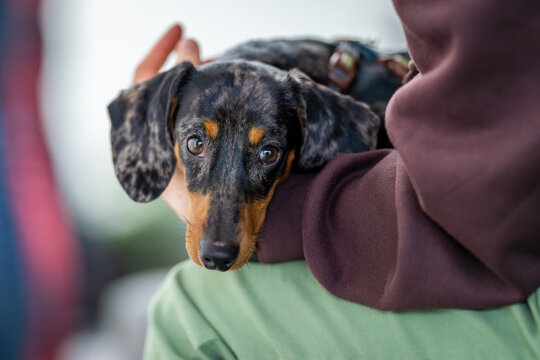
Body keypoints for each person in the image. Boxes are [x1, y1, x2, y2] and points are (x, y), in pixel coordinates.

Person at [133, 0, 540, 357]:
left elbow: (474, 197)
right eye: (197, 144)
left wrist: (278, 222)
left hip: (516, 267)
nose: (217, 241)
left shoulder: (333, 124)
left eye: (268, 153)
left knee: (187, 311)